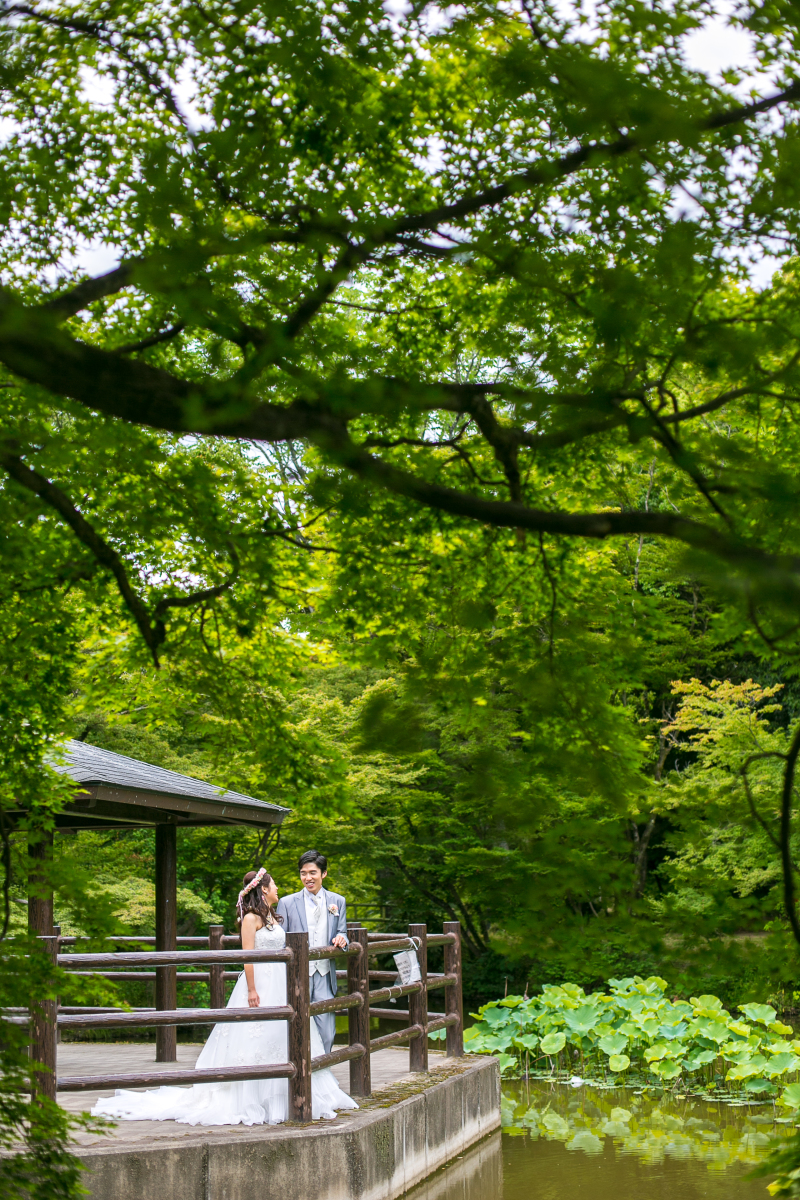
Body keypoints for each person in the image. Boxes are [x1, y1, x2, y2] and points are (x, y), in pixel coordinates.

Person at [91, 868, 358, 1126]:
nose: (278, 888)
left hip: (281, 981)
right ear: (264, 889)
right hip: (261, 982)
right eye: (274, 885)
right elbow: (247, 958)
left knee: (285, 1036)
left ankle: (289, 1093)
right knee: (259, 1037)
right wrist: (252, 990)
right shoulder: (251, 919)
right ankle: (257, 1097)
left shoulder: (273, 916)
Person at [276, 850, 348, 1055]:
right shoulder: (287, 903)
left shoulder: (338, 901)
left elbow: (342, 930)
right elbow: (280, 939)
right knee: (297, 1026)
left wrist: (343, 938)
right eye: (303, 873)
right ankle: (301, 1075)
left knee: (327, 1032)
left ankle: (320, 1072)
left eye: (312, 873)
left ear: (323, 874)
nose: (307, 878)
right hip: (298, 975)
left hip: (325, 974)